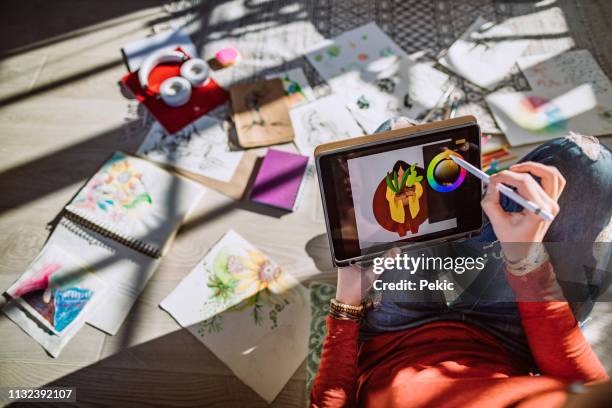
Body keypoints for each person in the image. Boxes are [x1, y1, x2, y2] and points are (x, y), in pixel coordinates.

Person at [310, 118, 612, 407]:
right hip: (514, 335)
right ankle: (480, 216)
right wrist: (527, 259)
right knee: (593, 166)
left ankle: (472, 218)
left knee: (398, 141)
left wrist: (346, 306)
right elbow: (580, 377)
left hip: (395, 337)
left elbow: (331, 401)